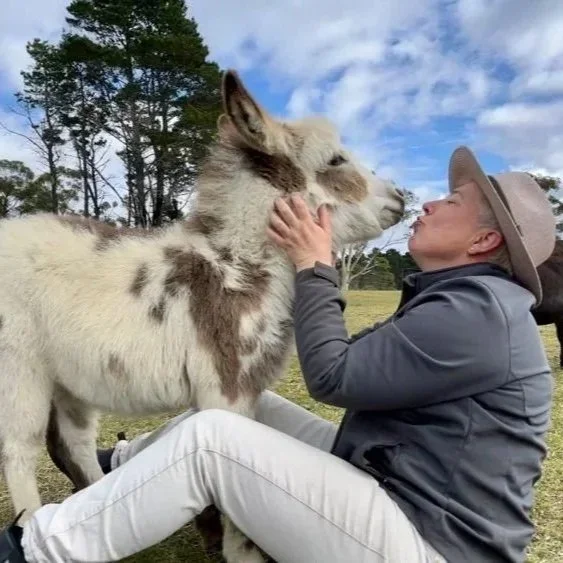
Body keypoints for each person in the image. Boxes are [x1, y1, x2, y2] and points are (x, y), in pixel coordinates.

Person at [0, 145, 556, 563]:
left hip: (430, 541)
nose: (431, 201)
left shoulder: (478, 312)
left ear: (484, 243)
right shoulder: (466, 301)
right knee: (254, 408)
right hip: (394, 482)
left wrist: (315, 266)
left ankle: (37, 549)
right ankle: (115, 466)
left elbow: (336, 375)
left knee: (212, 439)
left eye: (454, 201)